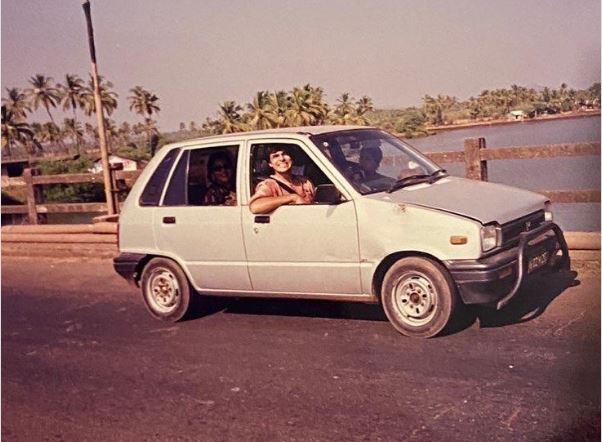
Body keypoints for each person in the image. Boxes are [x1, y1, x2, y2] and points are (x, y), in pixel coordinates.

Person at [249, 145, 315, 214]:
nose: (282, 158)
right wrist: (293, 197)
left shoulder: (304, 181)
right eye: (276, 156)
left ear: (291, 158)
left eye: (285, 154)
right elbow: (255, 207)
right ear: (270, 163)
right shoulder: (270, 185)